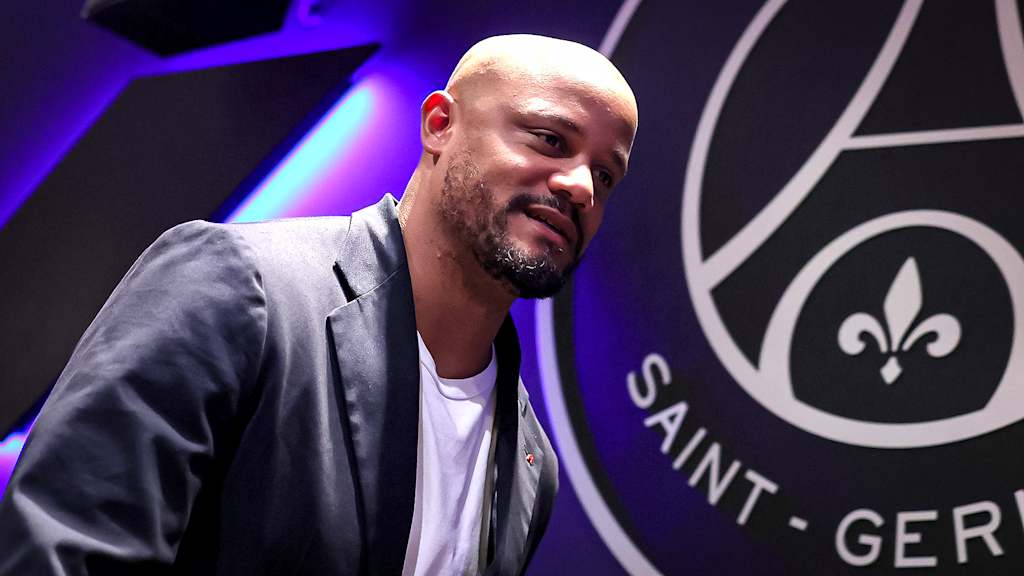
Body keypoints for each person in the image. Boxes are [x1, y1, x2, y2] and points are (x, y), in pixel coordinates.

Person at [0, 34, 638, 575]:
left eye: (605, 175)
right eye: (551, 140)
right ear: (440, 125)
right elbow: (67, 552)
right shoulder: (237, 284)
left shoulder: (531, 461)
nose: (580, 186)